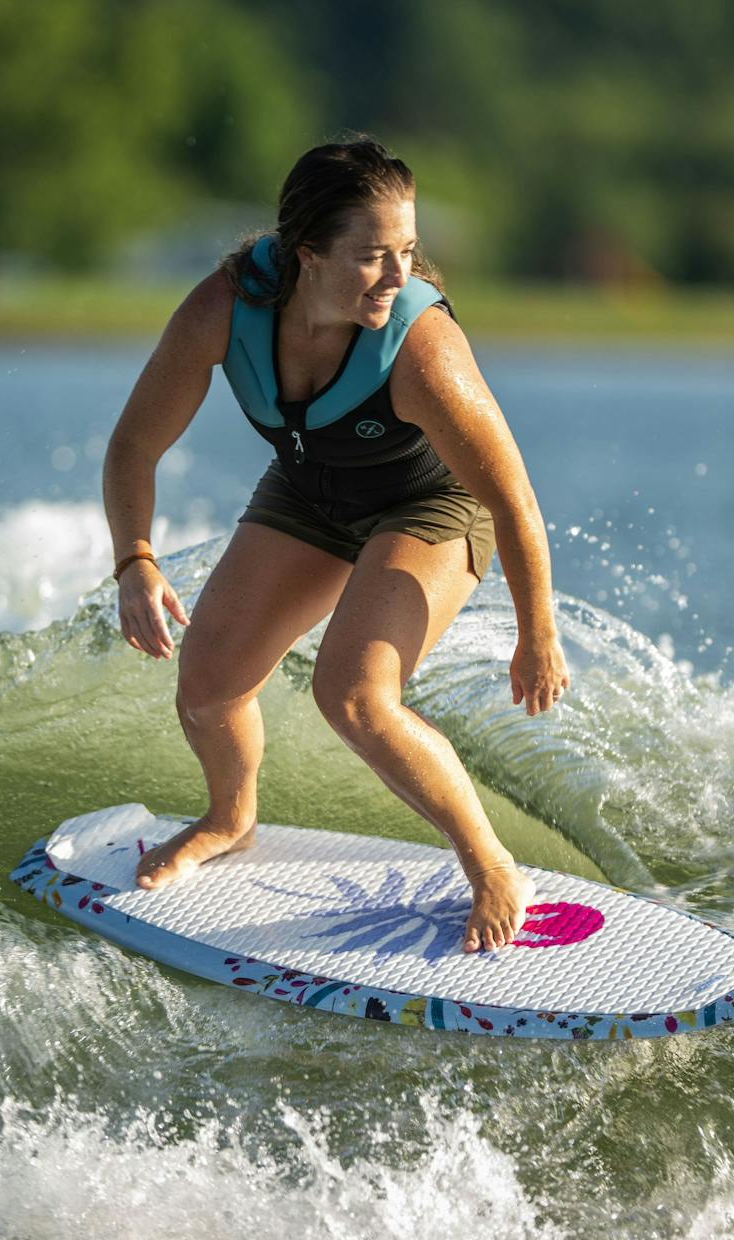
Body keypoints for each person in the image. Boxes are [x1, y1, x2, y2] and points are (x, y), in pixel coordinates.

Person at [101, 135, 569, 954]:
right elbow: (134, 444)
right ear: (306, 254)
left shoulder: (421, 347)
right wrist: (135, 559)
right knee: (207, 687)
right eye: (372, 256)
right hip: (312, 491)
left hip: (432, 506)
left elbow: (513, 497)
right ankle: (229, 817)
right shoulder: (225, 307)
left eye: (408, 252)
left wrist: (538, 633)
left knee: (354, 694)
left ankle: (492, 863)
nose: (399, 276)